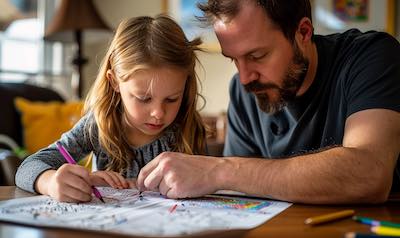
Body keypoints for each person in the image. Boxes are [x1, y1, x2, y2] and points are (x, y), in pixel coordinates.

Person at [137, 0, 400, 204]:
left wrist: (219, 171)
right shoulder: (244, 92)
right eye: (233, 59)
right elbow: (241, 199)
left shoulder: (371, 58)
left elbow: (370, 174)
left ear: (303, 32)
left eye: (257, 55)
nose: (244, 78)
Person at [15, 15, 207, 203]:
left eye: (172, 99)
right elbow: (27, 168)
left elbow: (204, 187)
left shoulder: (187, 128)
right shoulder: (98, 124)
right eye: (143, 98)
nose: (158, 112)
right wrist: (51, 183)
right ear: (114, 81)